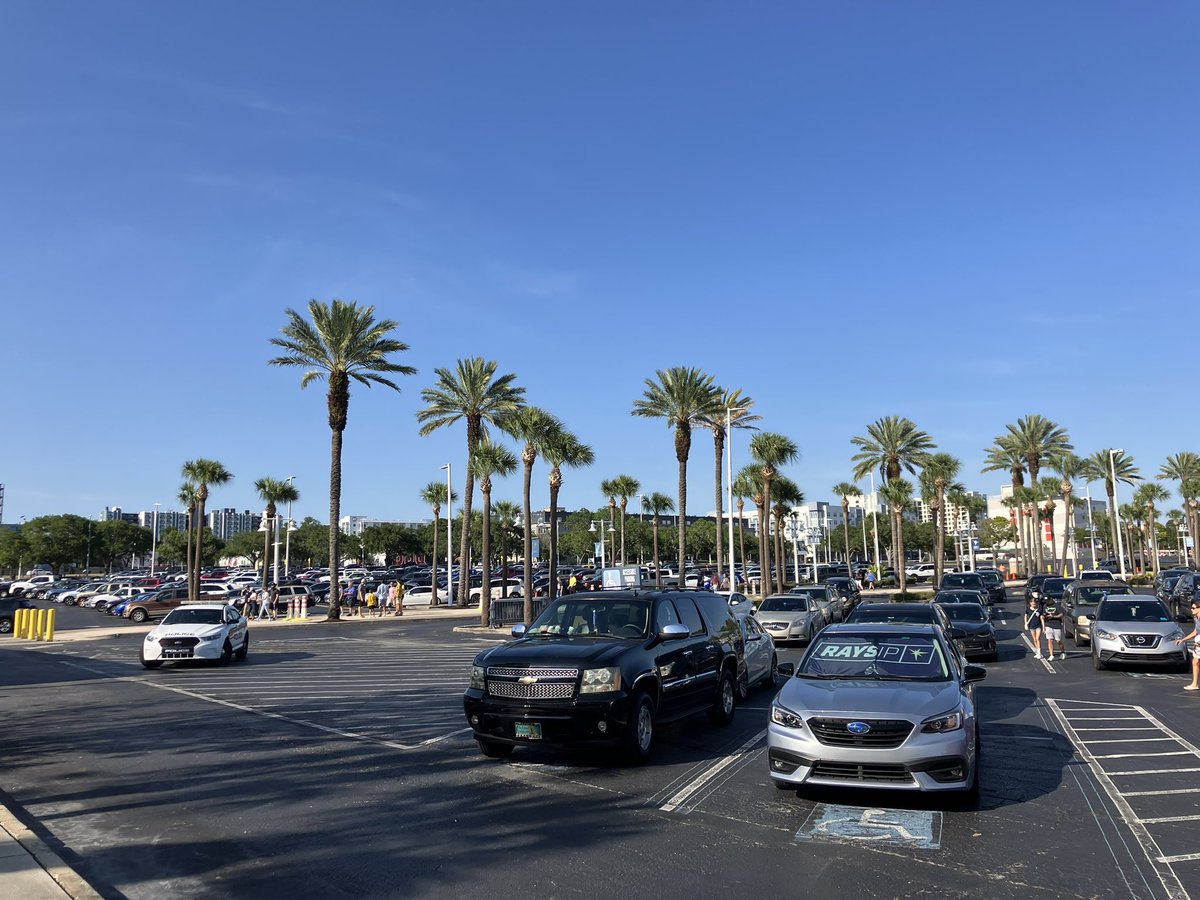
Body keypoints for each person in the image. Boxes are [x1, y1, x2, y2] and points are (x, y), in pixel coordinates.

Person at [1174, 599, 1200, 691]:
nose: (1192, 610)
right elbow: (1195, 631)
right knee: (1195, 662)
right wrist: (1183, 640)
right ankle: (1195, 684)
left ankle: (1195, 684)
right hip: (1198, 643)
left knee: (1196, 662)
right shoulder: (1197, 619)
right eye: (1191, 608)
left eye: (1194, 608)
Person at [1042, 594, 1064, 661]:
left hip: (1057, 625)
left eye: (1048, 600)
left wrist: (1054, 616)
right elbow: (1043, 615)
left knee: (1058, 640)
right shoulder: (1045, 606)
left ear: (1051, 599)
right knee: (1050, 640)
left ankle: (1062, 652)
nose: (1047, 602)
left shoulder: (1057, 605)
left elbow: (1061, 614)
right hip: (1048, 624)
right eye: (1046, 601)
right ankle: (1051, 655)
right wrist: (1044, 623)